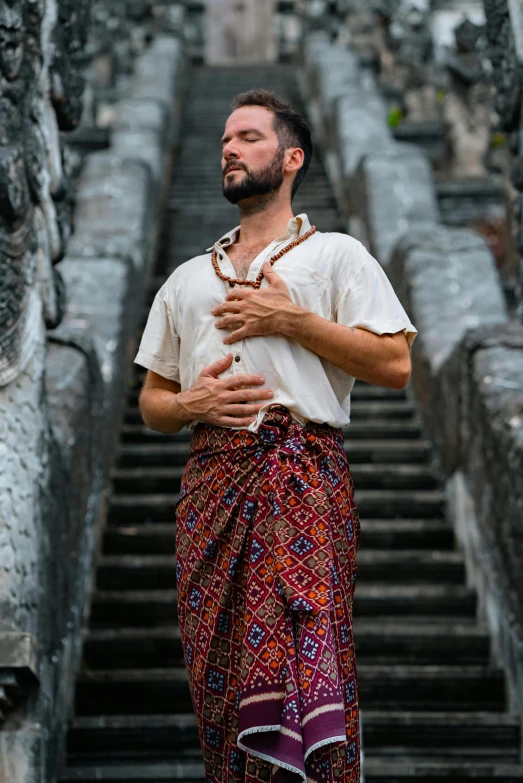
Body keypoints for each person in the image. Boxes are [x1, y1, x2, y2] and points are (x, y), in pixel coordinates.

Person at [134, 89, 417, 783]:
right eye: (225, 138)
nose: (227, 148)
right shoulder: (184, 280)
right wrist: (192, 401)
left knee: (307, 653)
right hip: (213, 487)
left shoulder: (337, 256)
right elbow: (151, 401)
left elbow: (396, 364)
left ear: (290, 158)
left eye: (248, 137)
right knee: (218, 674)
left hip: (304, 478)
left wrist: (291, 321)